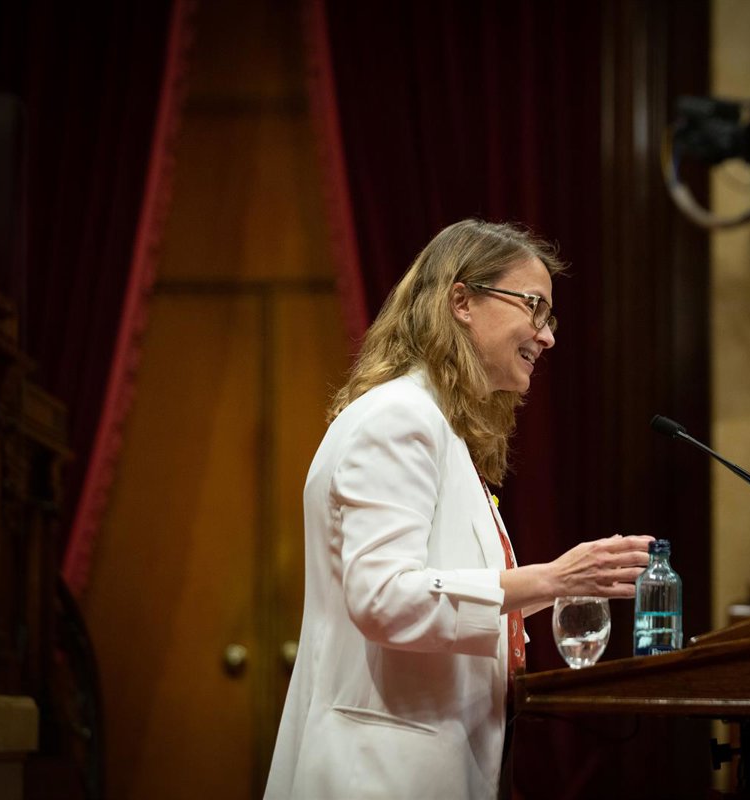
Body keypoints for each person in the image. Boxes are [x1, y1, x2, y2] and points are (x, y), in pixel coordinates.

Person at [264, 219, 653, 799]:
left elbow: (443, 593)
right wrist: (551, 578)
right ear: (462, 301)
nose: (547, 336)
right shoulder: (399, 418)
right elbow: (383, 598)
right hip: (381, 775)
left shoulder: (436, 425)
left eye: (550, 317)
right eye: (534, 307)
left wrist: (563, 584)